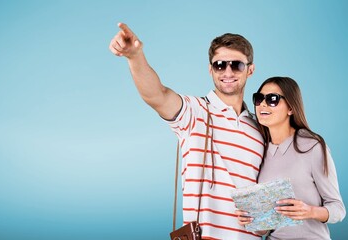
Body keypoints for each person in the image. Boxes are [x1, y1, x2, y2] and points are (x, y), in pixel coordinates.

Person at [109, 23, 264, 239]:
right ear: (211, 69)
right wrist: (135, 57)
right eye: (220, 65)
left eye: (236, 65)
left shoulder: (261, 129)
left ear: (250, 69)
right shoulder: (194, 111)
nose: (227, 72)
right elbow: (157, 95)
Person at [236, 76, 346, 239]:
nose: (263, 104)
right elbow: (266, 228)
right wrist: (252, 222)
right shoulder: (259, 150)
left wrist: (310, 211)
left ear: (291, 108)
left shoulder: (312, 146)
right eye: (259, 99)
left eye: (272, 99)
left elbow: (338, 209)